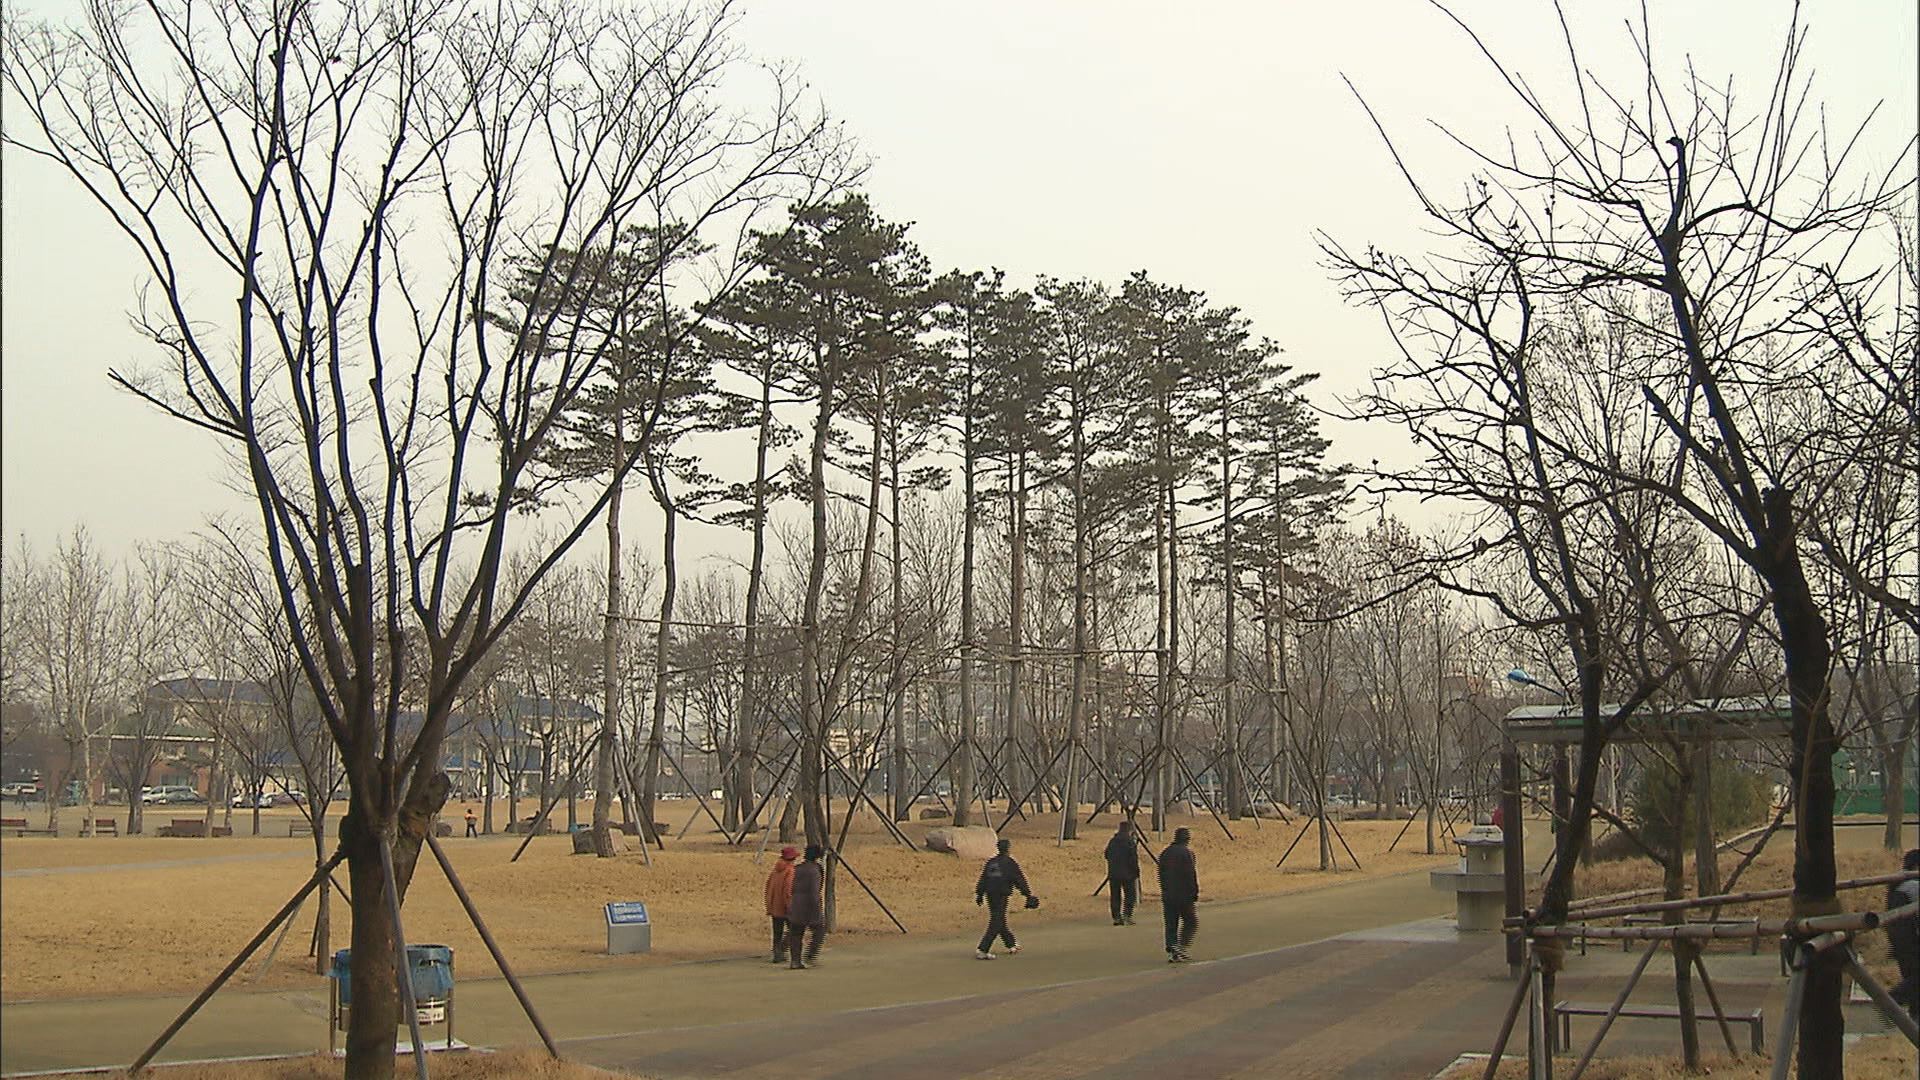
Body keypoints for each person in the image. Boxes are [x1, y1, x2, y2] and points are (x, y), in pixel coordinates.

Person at [974, 837, 1034, 959]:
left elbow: (983, 879)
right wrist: (1028, 894)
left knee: (999, 919)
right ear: (1008, 848)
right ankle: (983, 949)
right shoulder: (1010, 863)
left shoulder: (991, 862)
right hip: (1001, 894)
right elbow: (1019, 879)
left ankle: (1011, 944)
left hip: (990, 895)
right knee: (996, 922)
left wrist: (979, 894)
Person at [1158, 826, 1198, 962]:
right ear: (1187, 839)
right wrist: (1194, 892)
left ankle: (1172, 950)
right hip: (1184, 894)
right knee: (1191, 921)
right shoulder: (1187, 854)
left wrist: (1164, 889)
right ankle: (1181, 947)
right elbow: (1190, 875)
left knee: (1171, 924)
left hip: (1168, 894)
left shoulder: (1165, 853)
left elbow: (1160, 874)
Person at [1888, 848, 1919, 1014]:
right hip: (1913, 942)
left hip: (1900, 944)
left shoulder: (1898, 885)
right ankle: (1891, 1000)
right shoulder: (1914, 887)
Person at [786, 845, 827, 970]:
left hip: (795, 902)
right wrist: (817, 907)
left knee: (796, 933)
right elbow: (814, 891)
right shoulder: (814, 871)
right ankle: (810, 954)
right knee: (819, 930)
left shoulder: (797, 868)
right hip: (809, 904)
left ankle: (795, 961)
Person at [764, 846, 799, 964]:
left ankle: (777, 953)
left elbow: (768, 888)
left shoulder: (775, 871)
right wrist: (791, 906)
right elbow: (788, 891)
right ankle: (788, 952)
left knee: (777, 932)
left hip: (775, 906)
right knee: (794, 930)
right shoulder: (790, 871)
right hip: (785, 907)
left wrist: (770, 904)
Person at [1104, 821, 1141, 926]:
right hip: (1128, 874)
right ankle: (1127, 915)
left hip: (1114, 873)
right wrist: (1136, 871)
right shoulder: (1130, 842)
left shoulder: (1113, 841)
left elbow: (1106, 854)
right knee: (1130, 895)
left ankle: (1116, 917)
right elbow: (1133, 859)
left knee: (1115, 896)